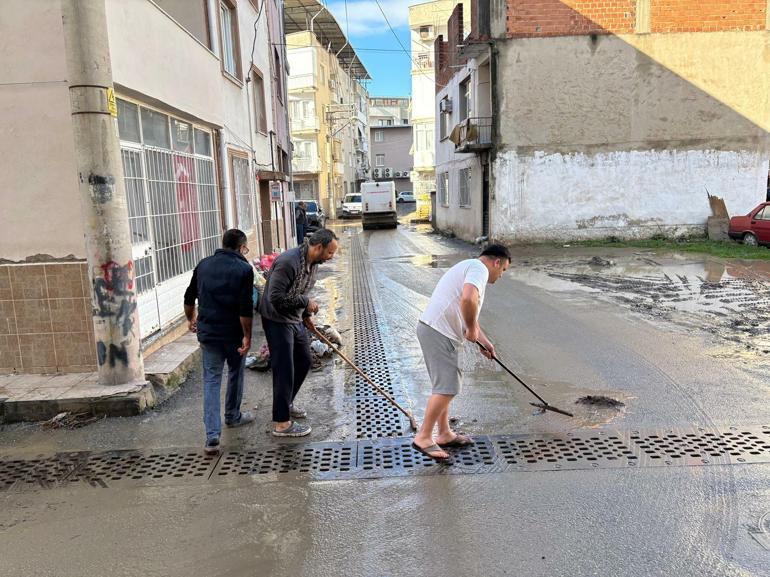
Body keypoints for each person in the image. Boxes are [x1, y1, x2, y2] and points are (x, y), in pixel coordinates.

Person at [412, 244, 511, 461]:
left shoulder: (470, 267)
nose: (501, 275)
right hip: (438, 331)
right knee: (448, 387)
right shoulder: (479, 268)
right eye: (503, 270)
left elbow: (468, 315)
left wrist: (485, 342)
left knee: (444, 386)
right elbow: (468, 300)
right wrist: (472, 329)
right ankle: (424, 436)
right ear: (497, 262)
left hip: (435, 329)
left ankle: (445, 433)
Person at [259, 228, 339, 437]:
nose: (331, 257)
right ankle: (281, 423)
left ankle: (286, 403)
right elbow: (276, 297)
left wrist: (305, 316)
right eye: (330, 253)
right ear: (319, 247)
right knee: (284, 368)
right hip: (276, 319)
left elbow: (300, 292)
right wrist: (306, 303)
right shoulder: (288, 262)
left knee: (304, 361)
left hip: (294, 319)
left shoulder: (312, 264)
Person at [184, 229, 255, 455]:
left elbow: (188, 297)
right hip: (233, 334)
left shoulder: (203, 265)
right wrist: (247, 336)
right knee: (236, 373)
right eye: (245, 248)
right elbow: (245, 309)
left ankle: (212, 437)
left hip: (210, 334)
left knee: (211, 381)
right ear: (241, 247)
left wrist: (190, 319)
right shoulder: (244, 269)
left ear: (223, 244)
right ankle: (233, 416)